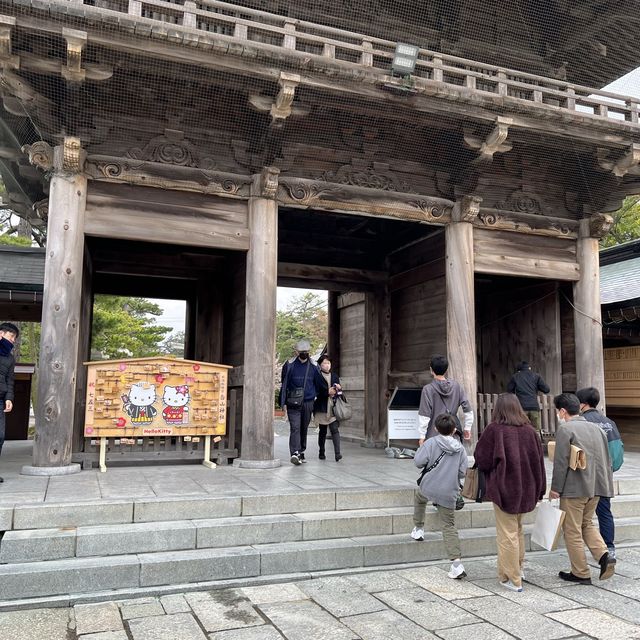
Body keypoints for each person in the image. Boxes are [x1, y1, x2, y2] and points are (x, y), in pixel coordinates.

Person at [474, 393, 546, 592]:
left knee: (507, 534)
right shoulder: (530, 431)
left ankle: (511, 578)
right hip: (528, 488)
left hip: (505, 488)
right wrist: (541, 489)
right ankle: (518, 568)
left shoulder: (494, 430)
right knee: (518, 530)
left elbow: (482, 459)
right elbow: (539, 462)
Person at [549, 393, 615, 584]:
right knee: (587, 523)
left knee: (572, 530)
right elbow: (607, 460)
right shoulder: (597, 430)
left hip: (574, 488)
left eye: (558, 411)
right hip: (596, 486)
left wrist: (555, 488)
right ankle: (604, 556)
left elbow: (561, 462)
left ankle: (580, 572)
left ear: (562, 411)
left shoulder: (566, 429)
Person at [411, 354, 473, 541]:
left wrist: (422, 436)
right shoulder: (457, 386)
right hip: (453, 429)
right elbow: (468, 409)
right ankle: (448, 497)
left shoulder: (428, 389)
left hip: (435, 432)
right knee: (451, 466)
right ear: (446, 370)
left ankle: (424, 517)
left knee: (433, 467)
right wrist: (468, 428)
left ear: (431, 369)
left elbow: (424, 414)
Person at [414, 414, 468, 579]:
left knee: (419, 498)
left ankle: (418, 528)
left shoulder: (430, 443)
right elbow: (462, 472)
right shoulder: (460, 449)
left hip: (429, 486)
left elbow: (418, 462)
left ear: (436, 428)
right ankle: (457, 564)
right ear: (454, 430)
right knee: (449, 526)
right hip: (448, 491)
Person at [576, 387, 624, 562]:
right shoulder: (609, 422)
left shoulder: (580, 422)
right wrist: (609, 468)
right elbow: (617, 452)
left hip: (584, 477)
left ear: (582, 404)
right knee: (604, 512)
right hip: (605, 476)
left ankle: (580, 554)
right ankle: (609, 548)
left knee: (581, 517)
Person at [280, 339, 323, 466]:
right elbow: (284, 383)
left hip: (308, 402)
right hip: (293, 402)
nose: (304, 353)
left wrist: (315, 396)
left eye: (306, 351)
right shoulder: (289, 365)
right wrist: (283, 402)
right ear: (296, 352)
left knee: (304, 428)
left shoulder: (314, 366)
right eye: (301, 351)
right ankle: (295, 453)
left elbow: (319, 384)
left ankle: (301, 451)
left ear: (309, 352)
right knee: (295, 428)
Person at [506, 361, 550, 434]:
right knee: (536, 430)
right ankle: (536, 443)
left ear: (519, 370)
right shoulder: (536, 376)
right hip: (534, 407)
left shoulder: (515, 376)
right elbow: (546, 390)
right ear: (529, 368)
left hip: (521, 408)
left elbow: (509, 391)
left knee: (521, 429)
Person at [313, 355, 342, 462]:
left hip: (332, 407)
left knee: (335, 429)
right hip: (321, 407)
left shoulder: (334, 376)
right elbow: (314, 391)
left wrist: (339, 389)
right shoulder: (316, 376)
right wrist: (326, 393)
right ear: (320, 365)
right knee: (323, 431)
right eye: (325, 363)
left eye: (328, 363)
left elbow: (339, 393)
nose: (327, 365)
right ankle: (321, 451)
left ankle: (337, 453)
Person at [0, 322, 19, 484]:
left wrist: (9, 398)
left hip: (1, 399)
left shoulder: (10, 358)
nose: (13, 340)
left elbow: (10, 380)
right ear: (1, 334)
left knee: (0, 436)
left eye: (14, 338)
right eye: (11, 336)